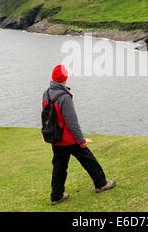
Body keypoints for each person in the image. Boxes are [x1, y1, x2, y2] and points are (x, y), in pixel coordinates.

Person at [43, 64, 116, 205]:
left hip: (55, 139)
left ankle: (56, 196)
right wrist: (81, 140)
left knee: (59, 167)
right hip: (69, 139)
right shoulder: (64, 96)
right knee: (89, 161)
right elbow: (72, 123)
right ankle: (101, 184)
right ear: (64, 79)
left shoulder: (46, 93)